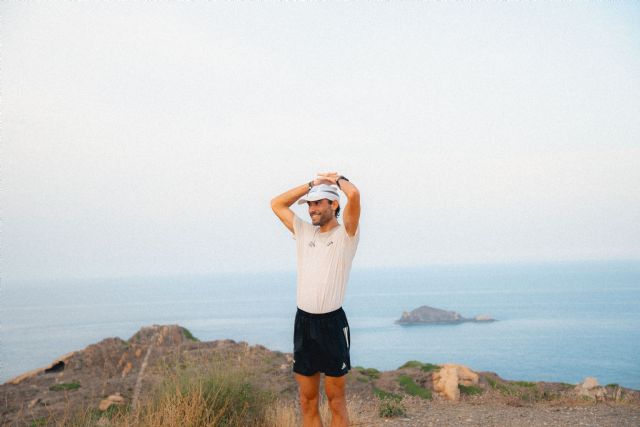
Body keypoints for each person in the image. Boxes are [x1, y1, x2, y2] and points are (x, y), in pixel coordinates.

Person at [271, 171, 361, 427]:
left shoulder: (346, 236)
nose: (311, 209)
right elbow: (276, 203)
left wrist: (337, 179)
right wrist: (312, 185)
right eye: (309, 204)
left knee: (336, 400)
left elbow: (353, 194)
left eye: (318, 202)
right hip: (304, 323)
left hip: (332, 324)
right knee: (307, 400)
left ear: (334, 204)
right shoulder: (303, 232)